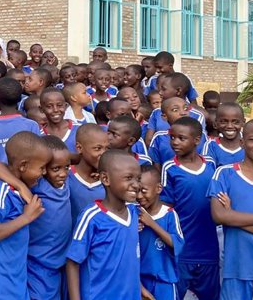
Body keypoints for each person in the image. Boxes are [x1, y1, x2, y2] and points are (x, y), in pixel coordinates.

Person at [0, 132, 48, 300]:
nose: (44, 172)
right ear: (23, 166)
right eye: (41, 167)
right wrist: (25, 218)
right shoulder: (2, 190)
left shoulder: (14, 187)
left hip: (12, 282)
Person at [208, 119, 253, 300]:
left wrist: (233, 218)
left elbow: (226, 216)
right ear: (242, 142)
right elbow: (218, 215)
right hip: (236, 268)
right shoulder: (225, 174)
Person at [66, 150, 143, 300]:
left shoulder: (134, 213)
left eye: (138, 179)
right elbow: (72, 262)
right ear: (106, 179)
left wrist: (140, 288)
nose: (136, 185)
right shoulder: (92, 217)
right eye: (128, 178)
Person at [160, 116, 219, 299]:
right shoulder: (170, 168)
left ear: (197, 140)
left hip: (209, 247)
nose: (175, 142)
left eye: (181, 138)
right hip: (183, 248)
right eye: (172, 137)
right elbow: (165, 207)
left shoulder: (210, 164)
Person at [138, 165, 184, 300]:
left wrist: (151, 223)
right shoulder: (134, 214)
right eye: (137, 191)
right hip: (140, 280)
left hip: (165, 282)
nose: (139, 196)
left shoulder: (169, 214)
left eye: (144, 191)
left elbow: (177, 245)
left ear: (158, 188)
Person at [69, 123, 109, 222]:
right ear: (79, 148)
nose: (103, 153)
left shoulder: (111, 178)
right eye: (98, 148)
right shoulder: (66, 176)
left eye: (107, 148)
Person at [201, 102, 245, 167]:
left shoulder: (250, 143)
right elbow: (208, 171)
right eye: (224, 121)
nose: (230, 126)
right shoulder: (211, 146)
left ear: (243, 123)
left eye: (235, 122)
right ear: (215, 124)